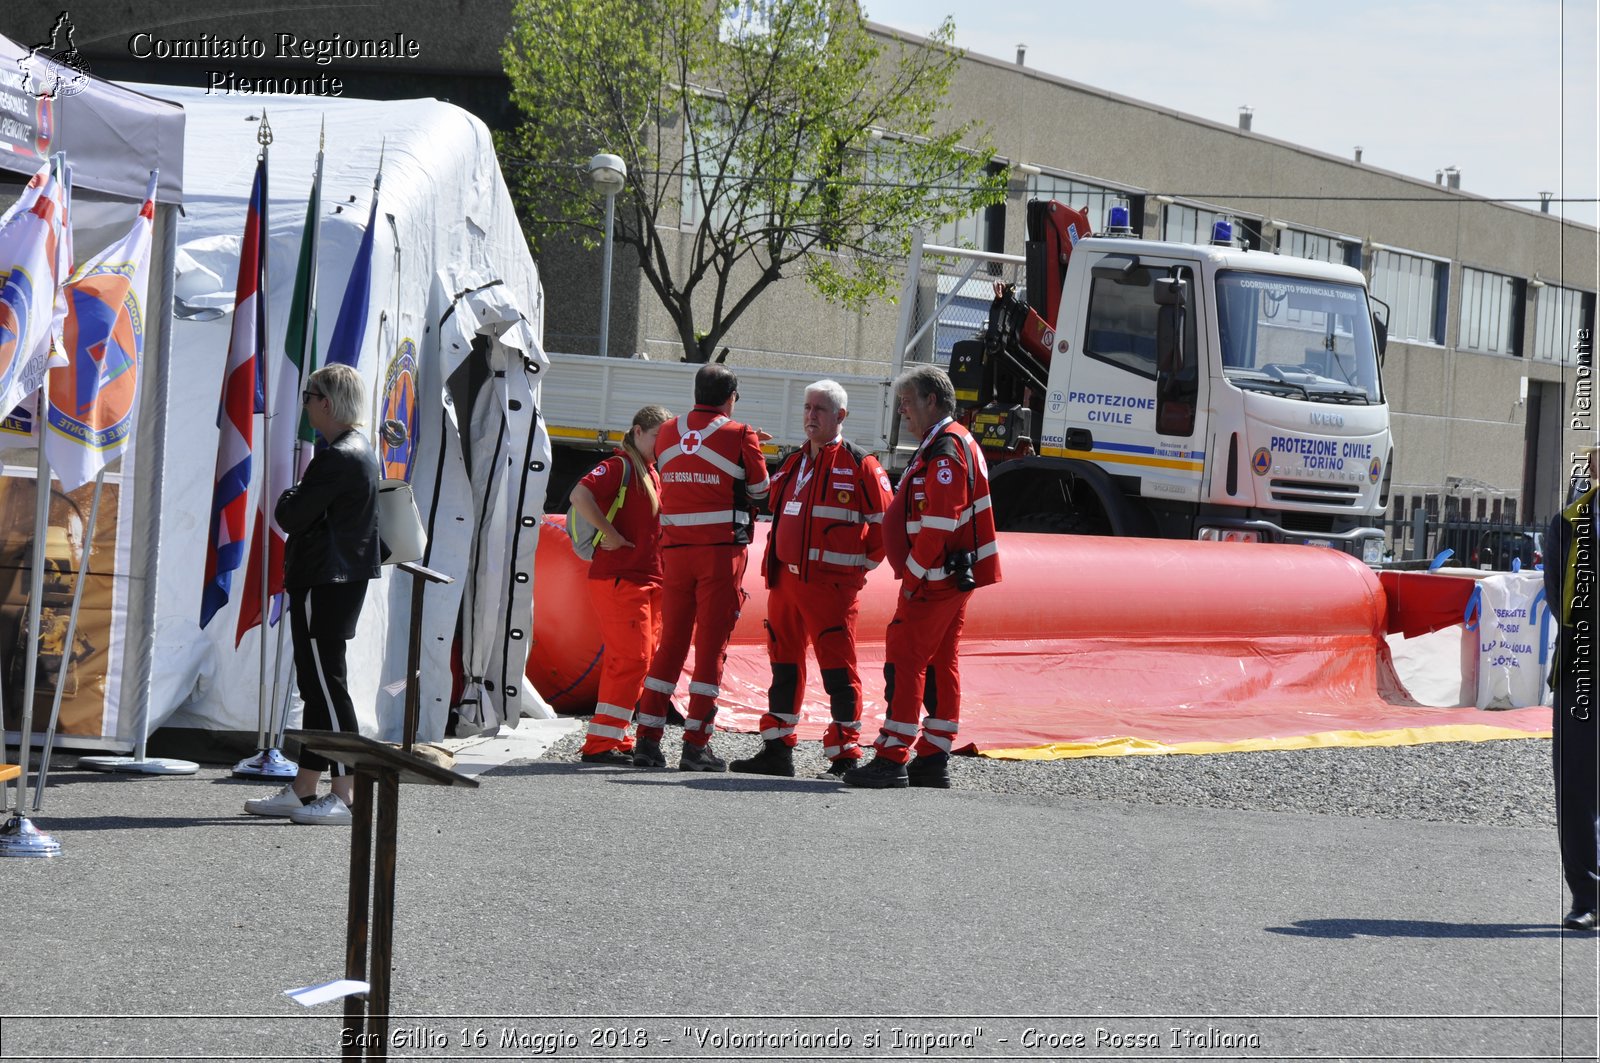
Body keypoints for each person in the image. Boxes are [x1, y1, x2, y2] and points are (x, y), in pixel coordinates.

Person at [845, 365, 1000, 789]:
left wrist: (913, 575)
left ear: (932, 401)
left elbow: (940, 519)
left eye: (908, 402)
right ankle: (933, 755)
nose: (902, 412)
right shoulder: (948, 442)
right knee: (940, 660)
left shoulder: (946, 448)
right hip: (943, 576)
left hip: (934, 579)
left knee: (906, 658)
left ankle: (893, 755)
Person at [732, 380, 892, 778]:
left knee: (837, 667)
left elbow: (885, 525)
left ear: (841, 416)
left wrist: (861, 567)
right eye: (807, 408)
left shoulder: (861, 464)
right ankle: (777, 750)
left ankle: (845, 755)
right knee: (783, 664)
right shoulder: (792, 462)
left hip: (830, 587)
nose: (810, 416)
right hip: (785, 583)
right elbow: (768, 503)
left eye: (820, 409)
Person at [244, 364, 381, 825]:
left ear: (327, 401)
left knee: (326, 687)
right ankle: (305, 788)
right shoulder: (354, 451)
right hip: (332, 581)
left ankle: (345, 795)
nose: (305, 403)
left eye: (309, 395)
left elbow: (292, 513)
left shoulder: (339, 455)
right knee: (317, 687)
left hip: (327, 582)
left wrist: (289, 495)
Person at [635, 364, 770, 771]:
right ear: (731, 397)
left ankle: (647, 741)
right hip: (719, 555)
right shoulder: (741, 434)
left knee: (670, 644)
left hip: (675, 554)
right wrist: (752, 452)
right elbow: (761, 491)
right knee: (711, 649)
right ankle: (695, 746)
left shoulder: (668, 431)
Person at [569, 405, 672, 766]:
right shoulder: (620, 466)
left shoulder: (650, 471)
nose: (663, 443)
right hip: (621, 578)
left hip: (645, 579)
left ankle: (613, 736)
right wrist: (609, 534)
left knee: (636, 661)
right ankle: (601, 743)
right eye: (658, 435)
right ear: (638, 432)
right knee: (632, 659)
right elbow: (579, 495)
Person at [1548, 444, 1598, 930]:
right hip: (1582, 670)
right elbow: (1557, 600)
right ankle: (1587, 895)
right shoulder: (1567, 522)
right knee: (1577, 789)